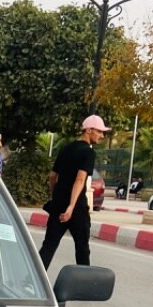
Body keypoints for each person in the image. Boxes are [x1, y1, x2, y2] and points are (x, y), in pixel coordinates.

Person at [39, 114, 110, 269]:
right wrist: (71, 206)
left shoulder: (65, 149)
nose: (102, 135)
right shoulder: (88, 152)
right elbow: (80, 179)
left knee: (49, 245)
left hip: (58, 205)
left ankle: (32, 282)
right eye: (99, 131)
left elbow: (52, 176)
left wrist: (55, 196)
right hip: (76, 208)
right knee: (82, 248)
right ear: (89, 130)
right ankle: (85, 285)